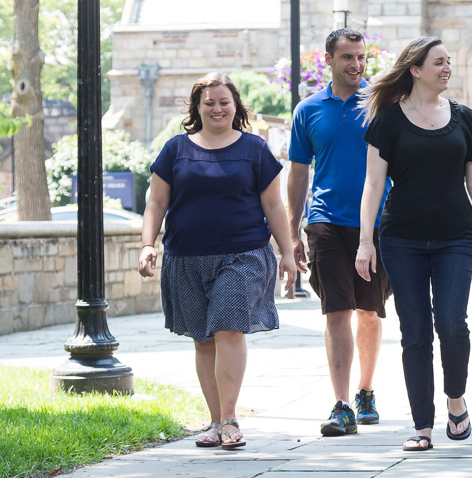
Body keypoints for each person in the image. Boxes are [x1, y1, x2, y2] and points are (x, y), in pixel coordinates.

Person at [138, 72, 303, 450]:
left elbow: (274, 205)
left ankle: (229, 420)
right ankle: (214, 421)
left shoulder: (254, 149)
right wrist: (148, 244)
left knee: (229, 328)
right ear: (197, 107)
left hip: (243, 253)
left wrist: (287, 251)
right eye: (209, 102)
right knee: (203, 339)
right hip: (186, 257)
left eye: (224, 101)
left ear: (235, 106)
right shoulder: (175, 150)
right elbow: (156, 203)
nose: (217, 108)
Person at [355, 36, 472, 452]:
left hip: (456, 235)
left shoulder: (465, 118)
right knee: (414, 332)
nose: (447, 68)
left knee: (452, 325)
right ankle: (422, 426)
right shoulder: (388, 121)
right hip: (401, 238)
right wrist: (367, 242)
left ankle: (456, 398)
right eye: (439, 62)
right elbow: (373, 185)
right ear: (415, 70)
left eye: (449, 61)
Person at [287, 28, 391, 437]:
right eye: (347, 57)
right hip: (326, 221)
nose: (356, 64)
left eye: (361, 57)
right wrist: (293, 232)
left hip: (378, 222)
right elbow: (297, 174)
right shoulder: (309, 110)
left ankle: (366, 390)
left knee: (369, 311)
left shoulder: (383, 105)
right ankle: (343, 403)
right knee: (336, 312)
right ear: (328, 60)